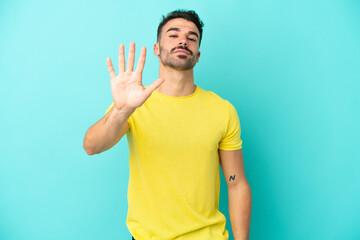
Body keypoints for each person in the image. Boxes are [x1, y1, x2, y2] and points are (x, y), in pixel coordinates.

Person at [83, 9, 251, 240]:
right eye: (173, 35)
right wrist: (121, 110)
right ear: (156, 48)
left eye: (192, 37)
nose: (183, 40)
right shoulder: (134, 104)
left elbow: (237, 183)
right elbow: (92, 146)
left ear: (198, 54)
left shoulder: (222, 110)